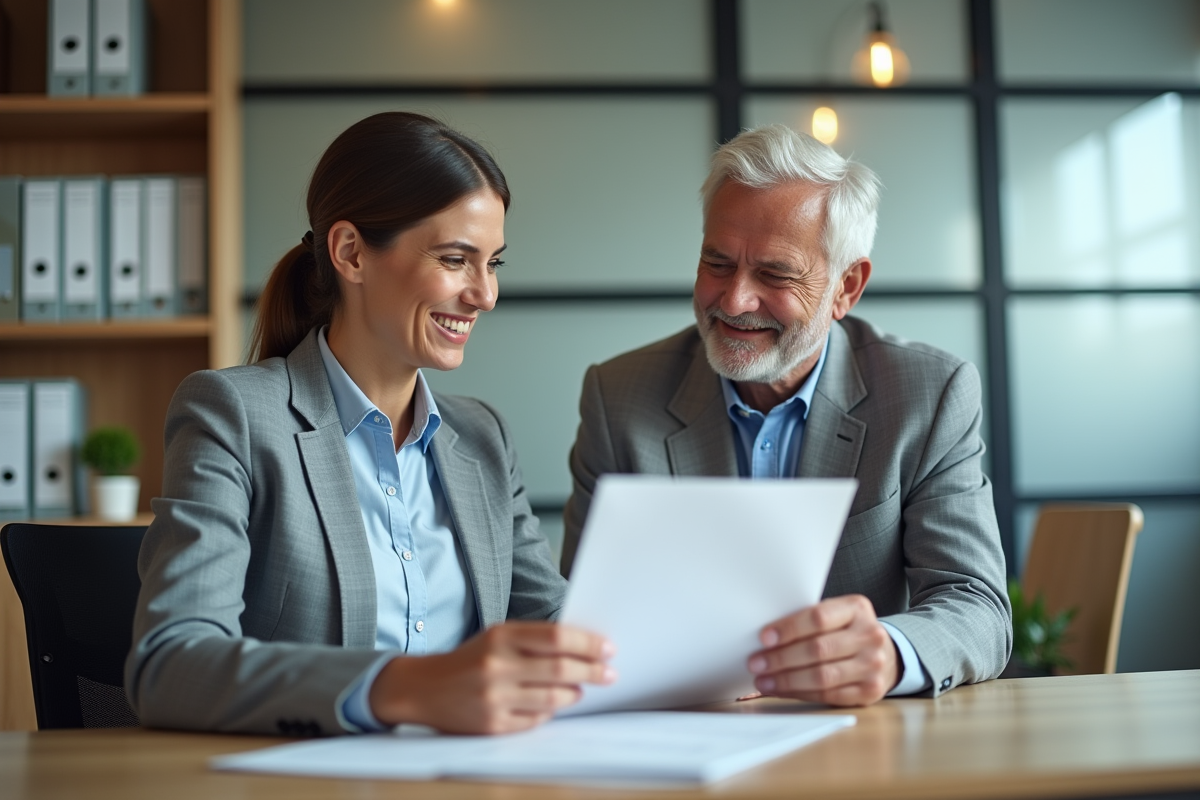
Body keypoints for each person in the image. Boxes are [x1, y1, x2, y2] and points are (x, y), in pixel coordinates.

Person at [126, 112, 615, 736]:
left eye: (493, 263)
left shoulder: (482, 437)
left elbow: (553, 620)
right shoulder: (234, 415)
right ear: (351, 253)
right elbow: (170, 666)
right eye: (456, 258)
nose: (484, 294)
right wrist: (406, 687)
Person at [562, 124, 1011, 706]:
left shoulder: (928, 393)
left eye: (774, 274)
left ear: (847, 287)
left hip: (863, 741)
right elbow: (579, 612)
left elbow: (975, 604)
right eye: (716, 263)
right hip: (686, 730)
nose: (734, 300)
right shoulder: (619, 395)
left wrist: (889, 650)